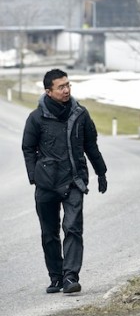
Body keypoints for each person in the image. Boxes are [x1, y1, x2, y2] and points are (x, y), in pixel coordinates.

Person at [21, 69, 108, 294]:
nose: (67, 90)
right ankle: (56, 277)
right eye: (61, 87)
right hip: (46, 184)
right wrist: (34, 176)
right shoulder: (36, 118)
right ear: (48, 91)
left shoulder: (80, 114)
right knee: (49, 234)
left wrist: (101, 172)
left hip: (73, 181)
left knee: (73, 228)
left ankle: (71, 277)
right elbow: (28, 148)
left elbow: (91, 145)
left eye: (68, 85)